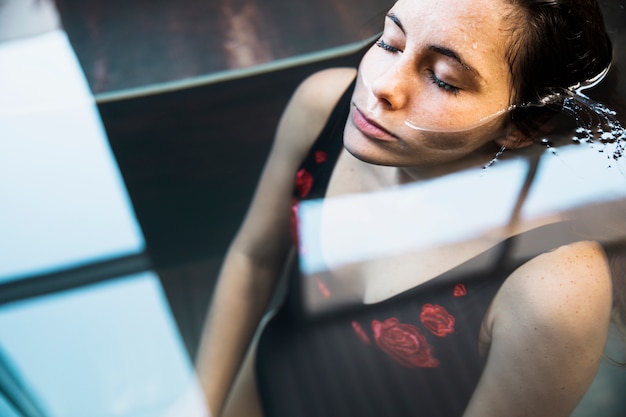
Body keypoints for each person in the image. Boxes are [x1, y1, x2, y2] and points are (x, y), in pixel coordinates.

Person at [195, 0, 625, 416]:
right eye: (390, 43)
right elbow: (253, 261)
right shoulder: (322, 105)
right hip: (260, 386)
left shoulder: (554, 289)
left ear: (523, 124)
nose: (381, 86)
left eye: (443, 79)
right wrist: (201, 404)